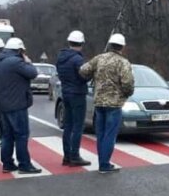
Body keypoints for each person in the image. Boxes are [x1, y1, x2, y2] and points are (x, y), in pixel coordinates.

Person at [79, 33, 135, 173]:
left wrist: (93, 76)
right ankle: (104, 165)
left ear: (110, 45)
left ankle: (102, 162)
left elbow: (83, 70)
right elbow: (127, 83)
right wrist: (127, 94)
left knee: (101, 134)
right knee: (110, 135)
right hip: (114, 104)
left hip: (99, 102)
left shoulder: (99, 58)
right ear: (122, 47)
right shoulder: (123, 62)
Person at [0, 38, 42, 174]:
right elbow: (33, 73)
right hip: (17, 104)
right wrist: (28, 62)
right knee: (21, 135)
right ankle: (24, 164)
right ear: (19, 50)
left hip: (3, 104)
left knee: (7, 135)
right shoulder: (16, 62)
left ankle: (7, 163)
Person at [55, 30, 91, 166]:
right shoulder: (77, 59)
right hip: (77, 94)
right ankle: (75, 156)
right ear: (81, 43)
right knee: (78, 126)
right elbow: (84, 76)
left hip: (66, 93)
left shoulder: (61, 58)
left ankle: (67, 156)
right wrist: (90, 74)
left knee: (68, 126)